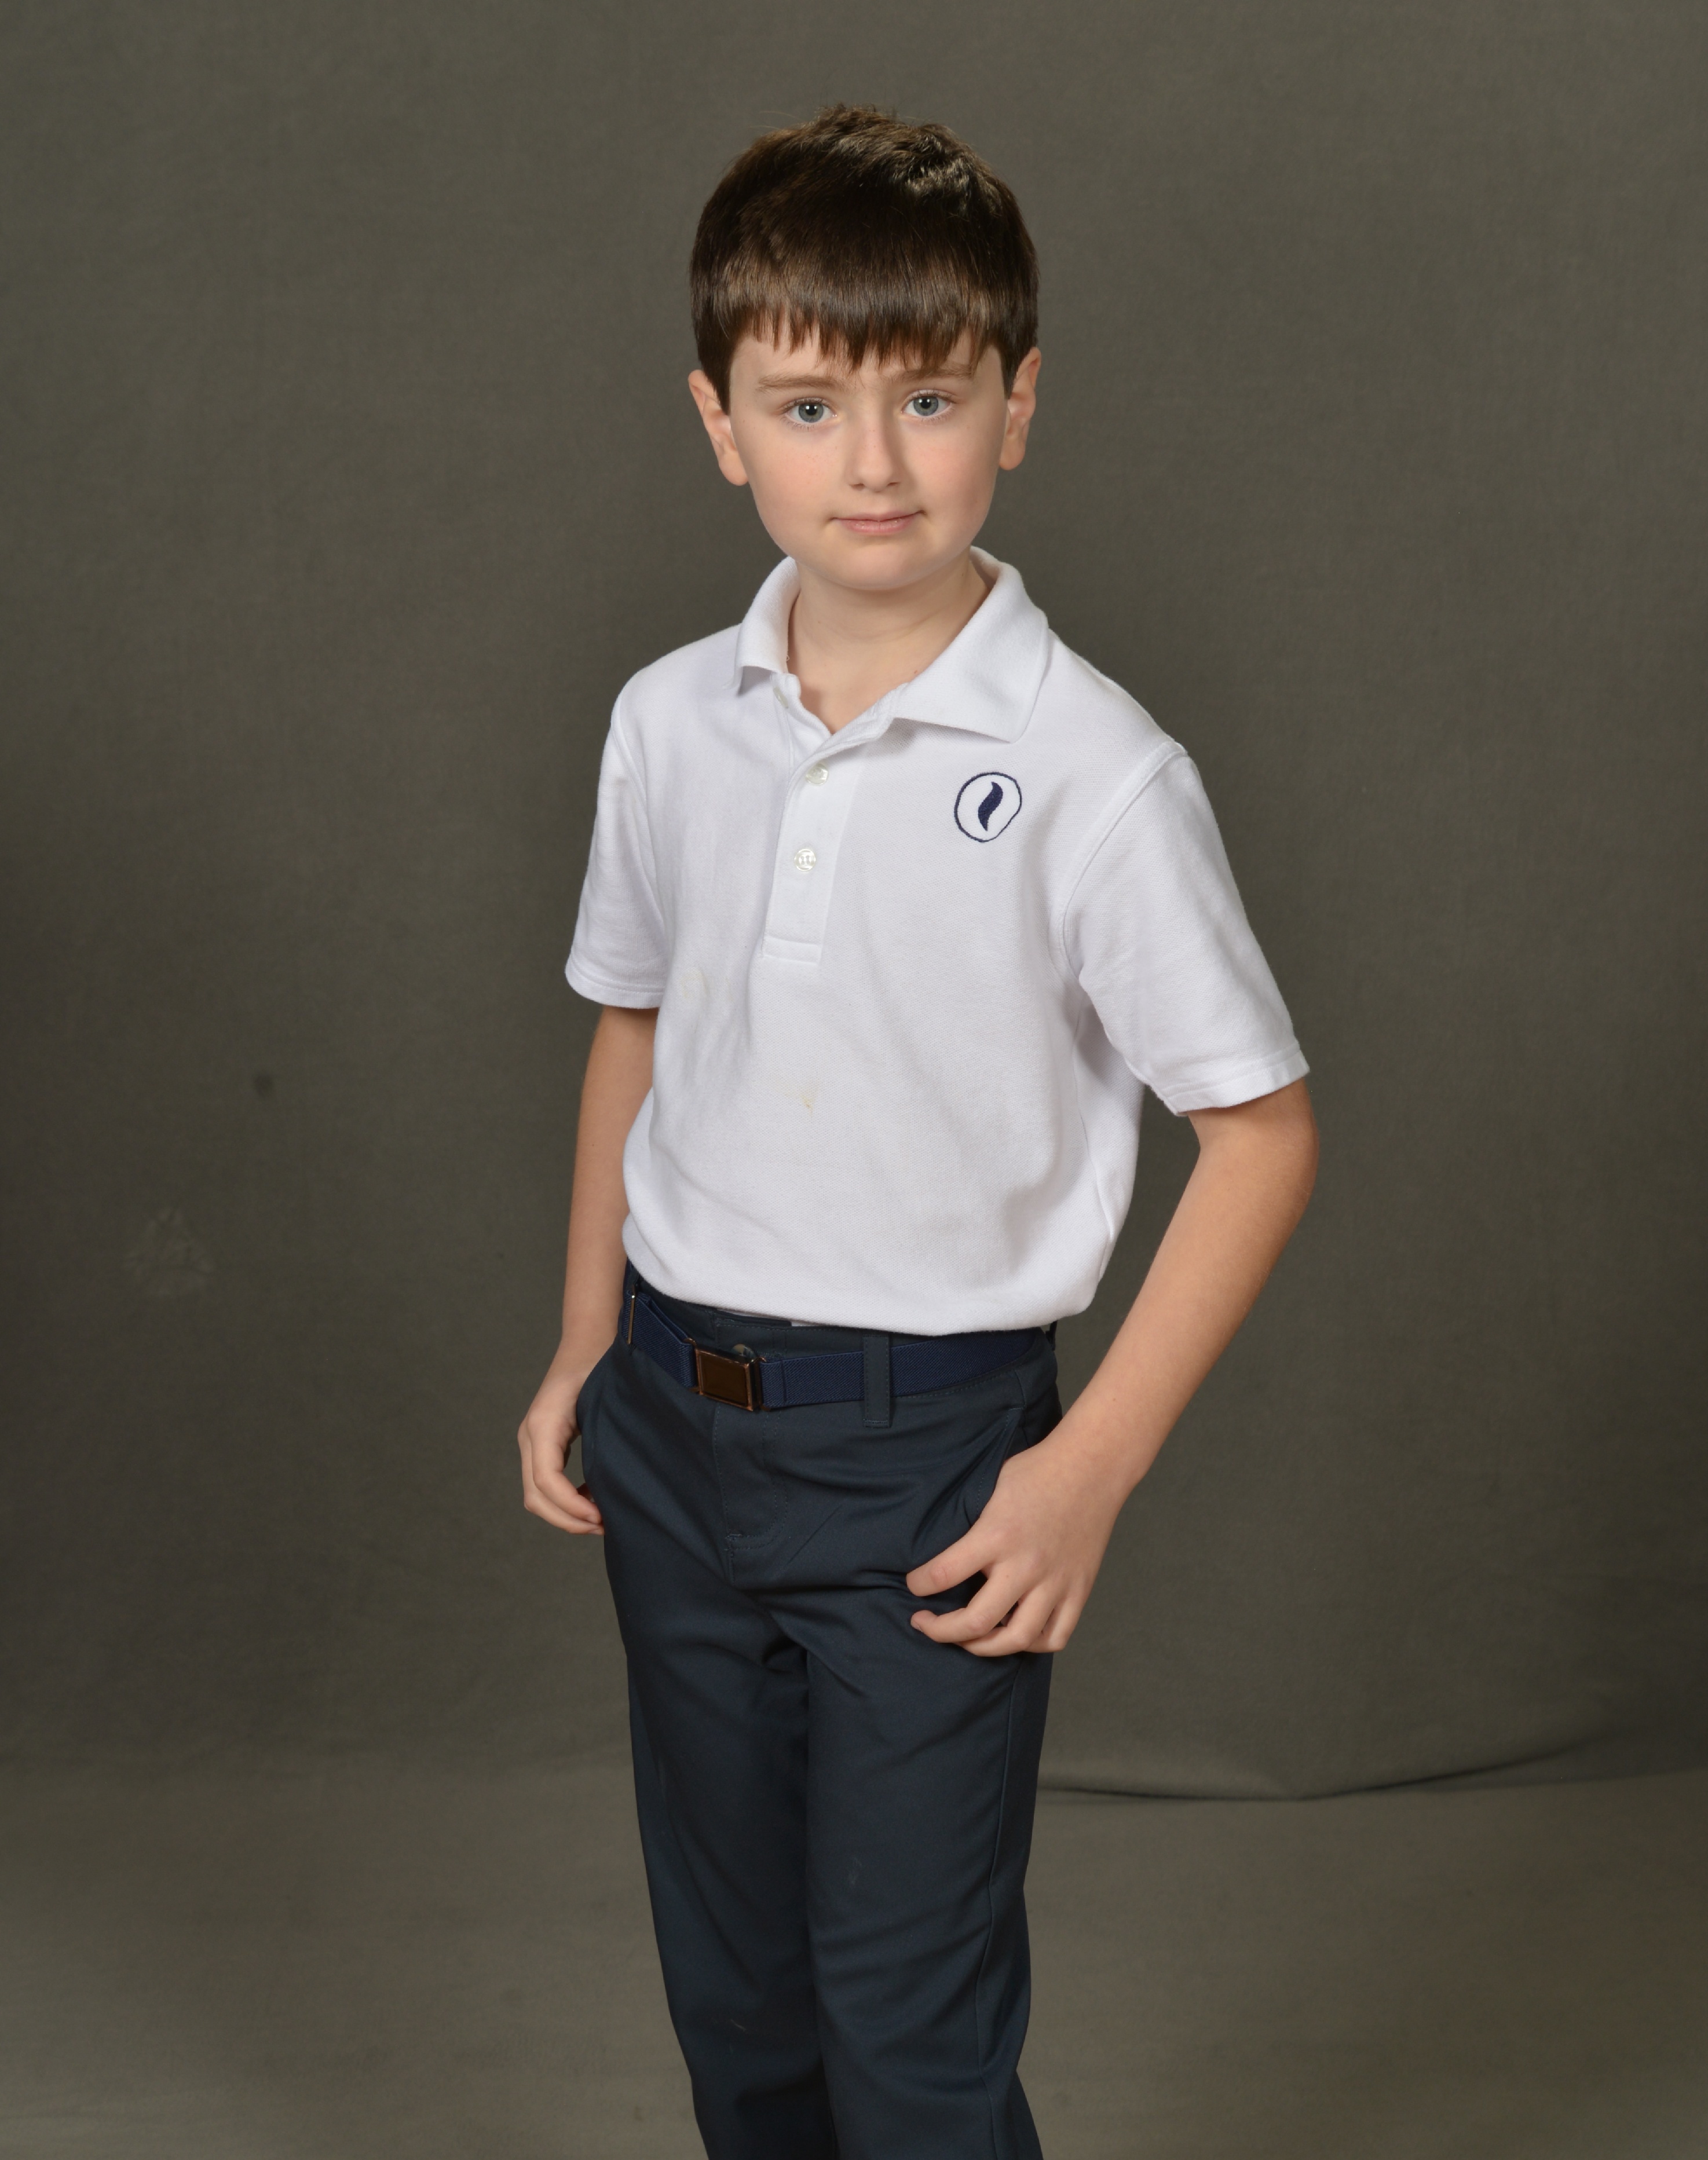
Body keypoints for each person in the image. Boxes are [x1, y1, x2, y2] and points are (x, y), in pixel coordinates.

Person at [517, 102, 1318, 2160]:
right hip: (672, 1429)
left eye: (930, 399)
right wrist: (588, 1336)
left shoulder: (1095, 774)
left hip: (931, 1461)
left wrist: (1086, 1472)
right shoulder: (668, 720)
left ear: (1016, 407)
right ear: (720, 424)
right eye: (808, 406)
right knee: (739, 2002)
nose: (872, 462)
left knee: (908, 2031)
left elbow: (1262, 1136)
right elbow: (636, 1027)